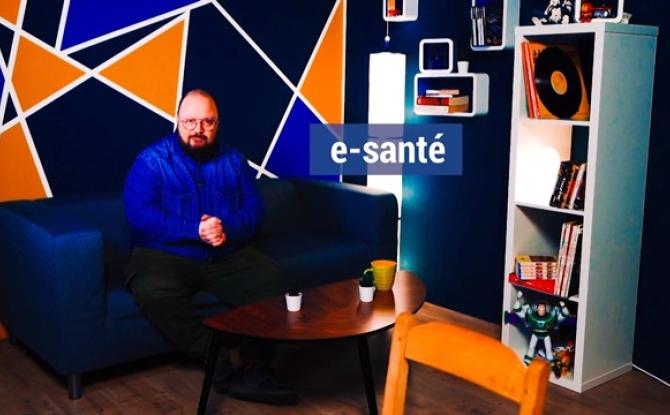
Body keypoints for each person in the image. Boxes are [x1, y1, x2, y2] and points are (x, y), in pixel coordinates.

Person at [123, 89, 296, 405]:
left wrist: (225, 229)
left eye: (207, 122)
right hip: (165, 255)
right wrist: (195, 229)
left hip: (224, 253)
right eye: (190, 121)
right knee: (151, 290)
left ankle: (255, 372)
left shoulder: (234, 160)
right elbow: (140, 216)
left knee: (273, 280)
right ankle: (217, 362)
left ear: (217, 124)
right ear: (177, 121)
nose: (198, 129)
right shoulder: (151, 161)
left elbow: (253, 211)